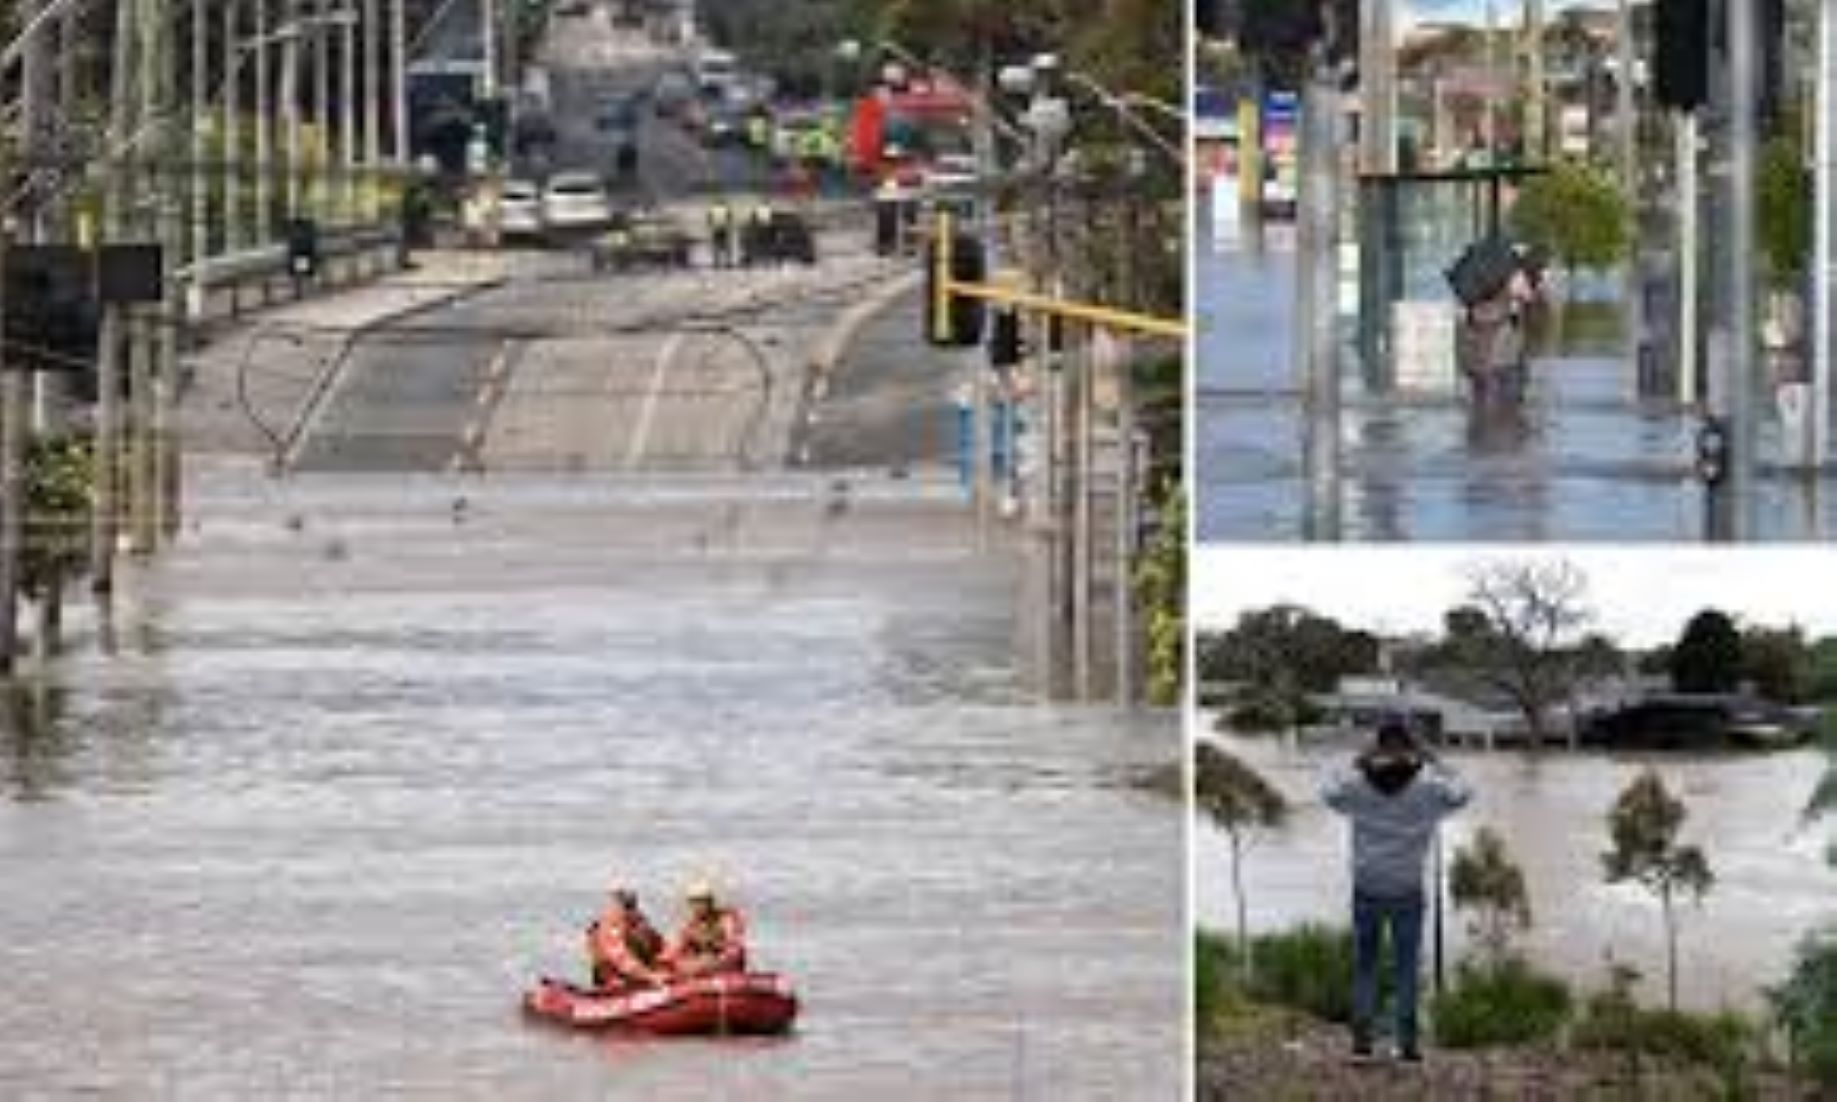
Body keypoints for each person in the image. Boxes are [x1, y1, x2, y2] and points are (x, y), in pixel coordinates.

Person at [1320, 721, 1471, 1064]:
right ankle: (1408, 1047)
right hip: (1406, 889)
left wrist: (1357, 760)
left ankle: (1362, 1044)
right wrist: (1435, 760)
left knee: (1365, 967)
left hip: (1367, 886)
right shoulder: (1429, 788)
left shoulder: (1357, 786)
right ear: (1410, 748)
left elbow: (1327, 792)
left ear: (1379, 747)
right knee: (1405, 968)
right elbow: (1464, 790)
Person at [661, 879, 748, 978]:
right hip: (703, 969)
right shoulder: (691, 927)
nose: (698, 906)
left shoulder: (727, 919)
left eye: (701, 901)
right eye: (694, 902)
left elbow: (734, 948)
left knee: (705, 963)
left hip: (726, 966)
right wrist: (669, 962)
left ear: (710, 902)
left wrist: (716, 959)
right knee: (686, 964)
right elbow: (675, 948)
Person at [585, 886, 667, 990]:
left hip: (642, 977)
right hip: (615, 983)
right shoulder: (611, 922)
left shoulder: (638, 921)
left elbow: (660, 945)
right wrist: (649, 976)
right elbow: (620, 956)